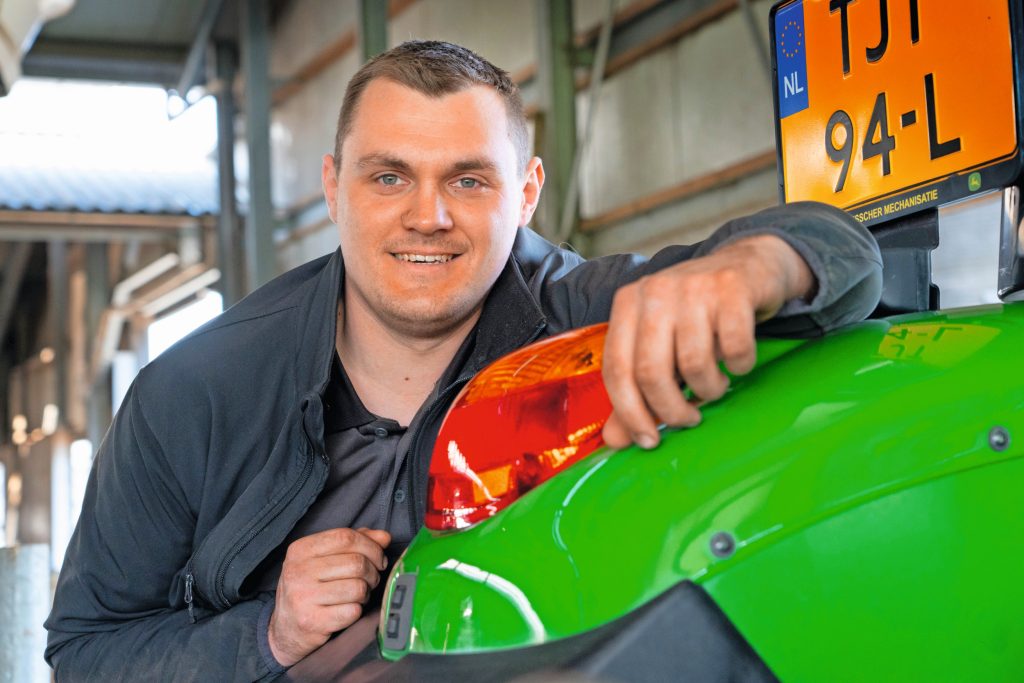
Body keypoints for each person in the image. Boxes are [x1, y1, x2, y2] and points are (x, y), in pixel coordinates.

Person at [45, 40, 881, 681]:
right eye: (388, 177)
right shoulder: (194, 394)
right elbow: (85, 652)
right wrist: (266, 633)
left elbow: (837, 248)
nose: (429, 215)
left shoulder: (584, 318)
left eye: (470, 180)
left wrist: (747, 268)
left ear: (527, 192)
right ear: (334, 187)